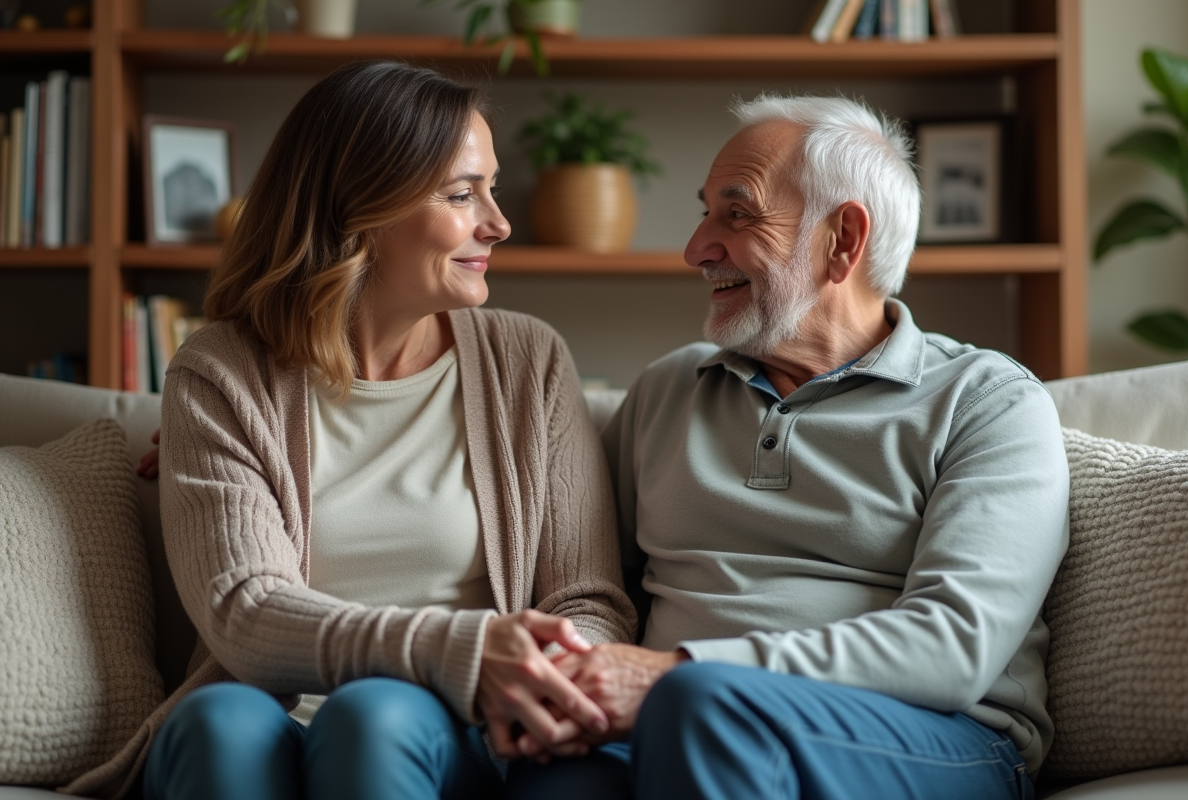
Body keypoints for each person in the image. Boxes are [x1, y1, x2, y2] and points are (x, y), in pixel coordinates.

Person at [506, 95, 1070, 800]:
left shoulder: (989, 402)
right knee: (547, 777)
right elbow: (592, 585)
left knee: (704, 707)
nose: (696, 248)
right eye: (704, 211)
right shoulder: (669, 387)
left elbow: (952, 649)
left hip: (938, 737)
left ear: (843, 240)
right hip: (674, 720)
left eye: (736, 214)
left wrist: (675, 671)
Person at [114, 60, 637, 800]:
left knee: (374, 715)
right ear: (360, 208)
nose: (499, 221)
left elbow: (588, 599)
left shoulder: (528, 359)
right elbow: (245, 612)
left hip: (463, 731)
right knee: (213, 724)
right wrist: (461, 648)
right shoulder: (221, 371)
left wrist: (541, 675)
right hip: (273, 717)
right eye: (463, 193)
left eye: (489, 187)